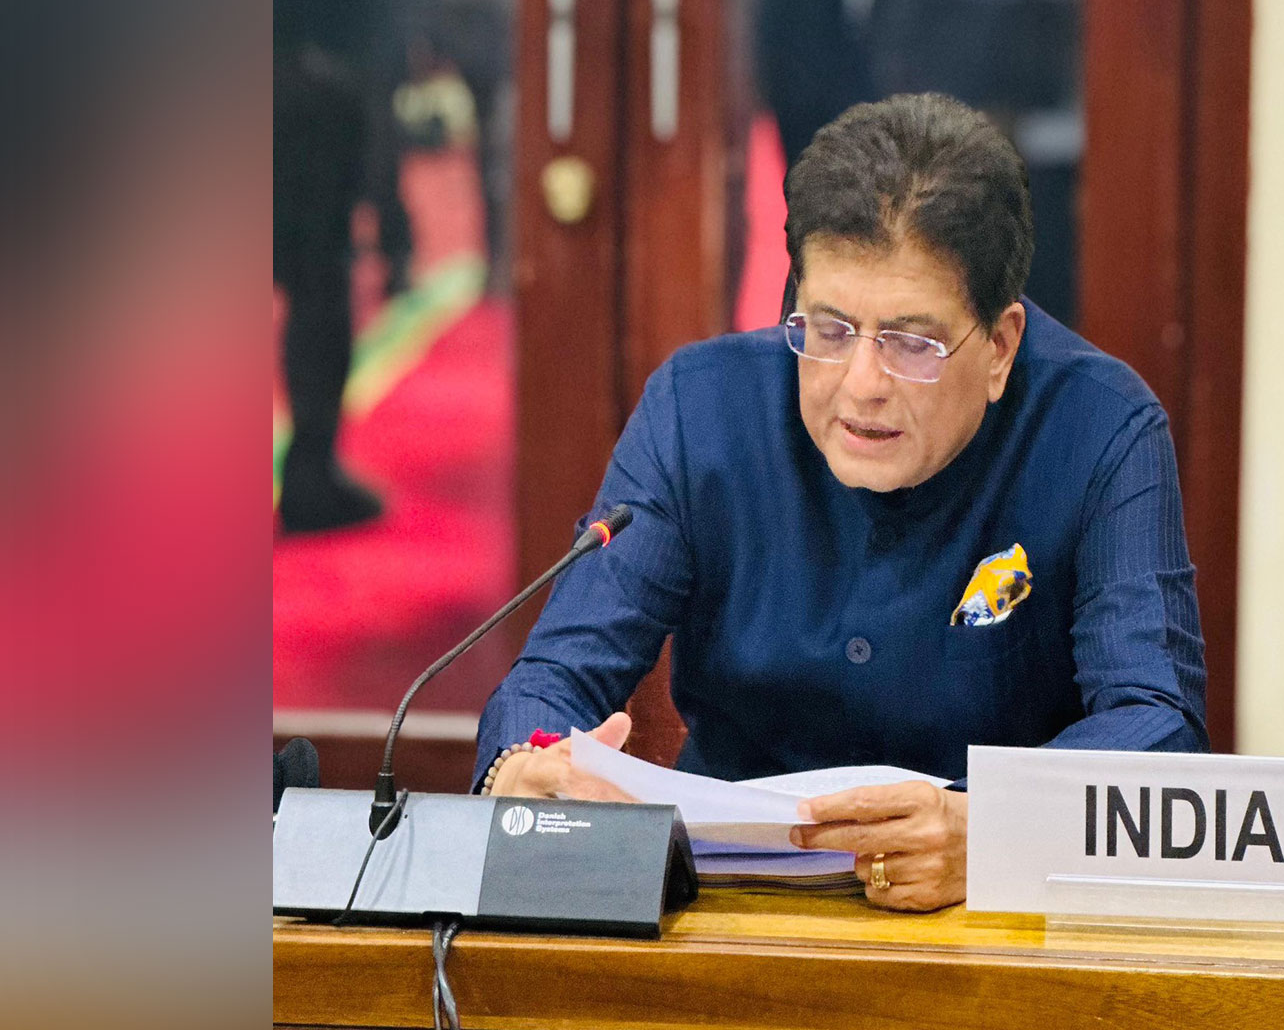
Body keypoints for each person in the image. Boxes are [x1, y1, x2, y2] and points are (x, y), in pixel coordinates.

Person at [478, 93, 1207, 910]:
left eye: (911, 343)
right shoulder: (701, 409)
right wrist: (522, 769)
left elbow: (1158, 723)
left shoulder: (1101, 428)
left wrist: (995, 828)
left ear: (1000, 346)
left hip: (982, 912)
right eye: (828, 331)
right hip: (727, 903)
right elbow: (554, 676)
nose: (862, 385)